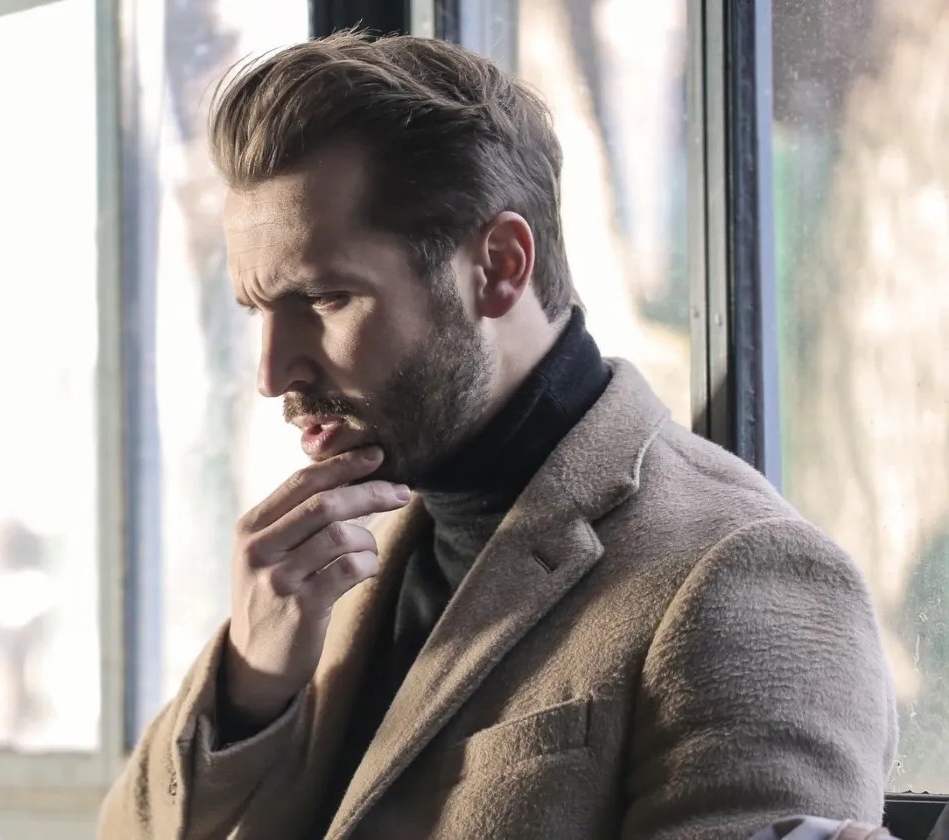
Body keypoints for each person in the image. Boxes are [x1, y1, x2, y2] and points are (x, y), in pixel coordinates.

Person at [99, 31, 897, 839]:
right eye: (258, 312)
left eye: (327, 299)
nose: (273, 372)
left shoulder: (746, 577)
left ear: (500, 265)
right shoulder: (335, 555)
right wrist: (249, 682)